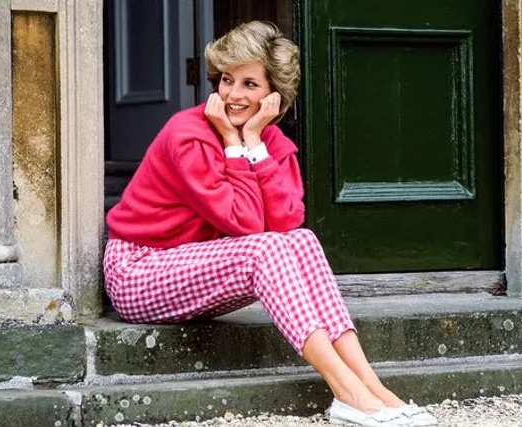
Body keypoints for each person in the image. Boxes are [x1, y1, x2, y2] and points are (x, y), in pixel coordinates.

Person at [104, 21, 437, 427]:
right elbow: (244, 224)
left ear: (274, 94)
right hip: (139, 271)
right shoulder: (187, 134)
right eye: (227, 80)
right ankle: (346, 393)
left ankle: (374, 388)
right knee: (270, 248)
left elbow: (286, 223)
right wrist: (232, 144)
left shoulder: (272, 144)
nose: (233, 95)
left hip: (197, 266)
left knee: (302, 240)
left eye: (249, 84)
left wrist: (254, 144)